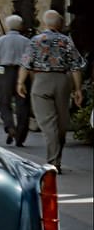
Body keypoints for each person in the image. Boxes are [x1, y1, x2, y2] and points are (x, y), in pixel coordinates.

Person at [17, 10, 86, 172]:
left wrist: (20, 82)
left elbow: (26, 64)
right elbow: (76, 67)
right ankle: (55, 159)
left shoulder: (35, 40)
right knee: (62, 122)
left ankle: (54, 162)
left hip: (41, 81)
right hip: (62, 81)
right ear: (60, 24)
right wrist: (78, 89)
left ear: (46, 23)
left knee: (48, 123)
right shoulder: (66, 41)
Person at [0, 15, 32, 146]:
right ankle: (20, 137)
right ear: (20, 26)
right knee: (23, 105)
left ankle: (9, 126)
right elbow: (30, 60)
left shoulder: (1, 40)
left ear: (8, 25)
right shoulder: (26, 41)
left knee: (4, 103)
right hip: (22, 72)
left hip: (4, 71)